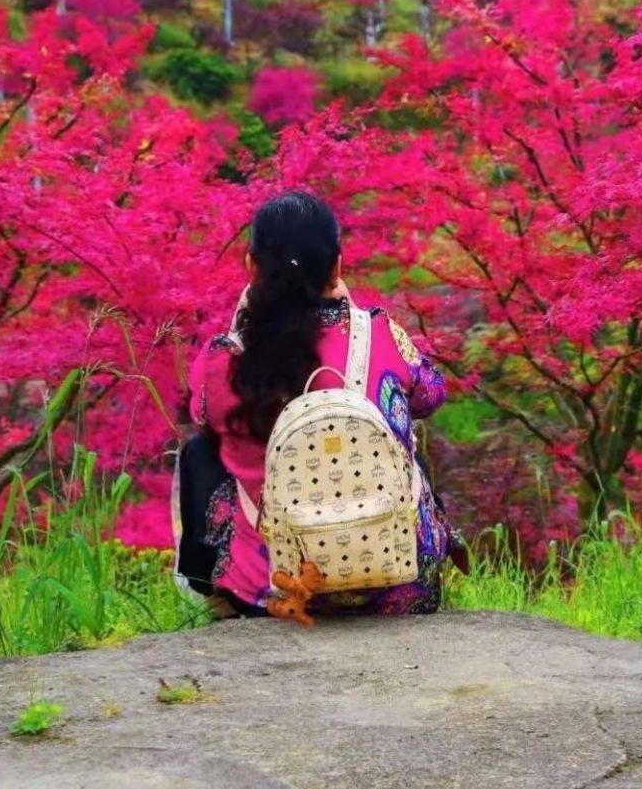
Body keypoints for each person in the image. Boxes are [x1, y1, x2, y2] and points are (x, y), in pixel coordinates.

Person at [175, 190, 462, 620]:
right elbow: (432, 394)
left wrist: (242, 323)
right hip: (397, 586)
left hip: (278, 593)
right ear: (338, 266)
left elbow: (201, 416)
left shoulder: (225, 360)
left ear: (251, 267)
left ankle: (225, 593)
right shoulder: (380, 334)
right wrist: (354, 317)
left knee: (200, 453)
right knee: (404, 446)